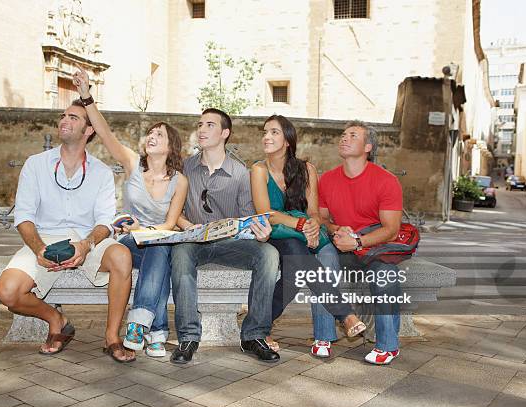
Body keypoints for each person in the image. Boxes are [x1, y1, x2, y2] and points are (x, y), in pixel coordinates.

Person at [0, 98, 134, 362]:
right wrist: (38, 249)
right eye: (63, 116)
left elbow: (106, 221)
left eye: (73, 118)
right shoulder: (36, 164)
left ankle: (111, 337)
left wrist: (86, 245)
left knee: (121, 256)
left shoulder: (101, 172)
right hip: (45, 238)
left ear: (89, 130)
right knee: (7, 291)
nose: (64, 121)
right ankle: (57, 320)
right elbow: (24, 216)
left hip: (86, 239)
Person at [72, 68, 188, 358]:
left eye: (159, 134)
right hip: (128, 241)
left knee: (159, 251)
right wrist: (87, 96)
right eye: (150, 133)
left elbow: (170, 224)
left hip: (156, 240)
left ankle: (143, 329)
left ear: (171, 145)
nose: (151, 136)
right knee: (159, 253)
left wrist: (149, 231)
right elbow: (105, 133)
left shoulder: (180, 181)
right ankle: (155, 330)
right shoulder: (133, 164)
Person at [170, 108, 280, 364]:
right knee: (180, 253)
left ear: (224, 133)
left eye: (209, 125)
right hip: (194, 241)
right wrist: (188, 227)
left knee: (270, 254)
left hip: (230, 243)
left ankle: (254, 335)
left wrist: (258, 232)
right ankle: (188, 337)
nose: (201, 129)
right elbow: (175, 211)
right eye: (200, 124)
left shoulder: (241, 174)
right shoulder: (185, 168)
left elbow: (246, 218)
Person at [251, 115, 366, 358]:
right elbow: (265, 213)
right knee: (296, 249)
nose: (266, 137)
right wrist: (301, 224)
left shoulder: (307, 169)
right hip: (278, 234)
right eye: (265, 132)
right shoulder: (258, 170)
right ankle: (344, 314)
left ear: (288, 141)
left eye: (274, 132)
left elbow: (314, 212)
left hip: (308, 233)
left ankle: (268, 327)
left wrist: (312, 227)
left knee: (309, 264)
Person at [318, 120, 404, 365]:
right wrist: (337, 231)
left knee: (386, 275)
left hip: (373, 246)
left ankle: (388, 346)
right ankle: (323, 337)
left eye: (352, 135)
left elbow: (390, 229)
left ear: (367, 147)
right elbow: (323, 219)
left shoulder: (386, 181)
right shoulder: (327, 180)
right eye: (343, 134)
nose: (344, 138)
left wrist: (357, 241)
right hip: (340, 243)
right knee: (320, 263)